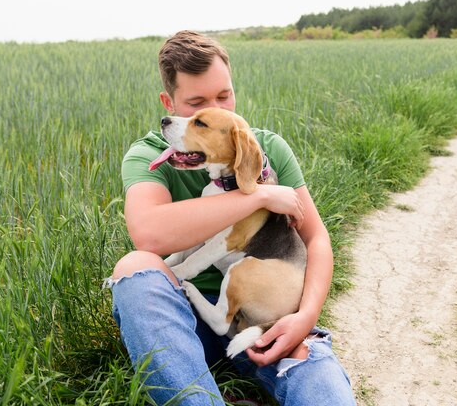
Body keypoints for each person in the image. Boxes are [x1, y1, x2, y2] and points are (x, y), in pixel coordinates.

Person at [106, 30, 356, 405]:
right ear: (169, 102)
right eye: (197, 103)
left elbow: (316, 239)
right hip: (181, 319)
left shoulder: (264, 147)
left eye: (224, 96)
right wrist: (261, 193)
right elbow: (149, 234)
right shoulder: (149, 156)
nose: (218, 110)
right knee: (133, 268)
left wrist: (305, 317)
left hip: (263, 316)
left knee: (319, 382)